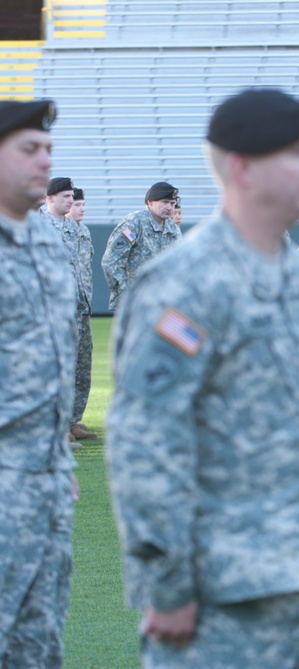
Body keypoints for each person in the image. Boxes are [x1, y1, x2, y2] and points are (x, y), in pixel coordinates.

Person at [105, 88, 299, 667]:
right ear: (242, 168)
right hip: (218, 593)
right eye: (297, 153)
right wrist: (167, 587)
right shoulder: (184, 284)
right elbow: (144, 442)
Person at [0, 99, 78, 668]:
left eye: (47, 149)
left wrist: (60, 464)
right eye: (29, 149)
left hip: (42, 482)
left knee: (38, 636)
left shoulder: (45, 242)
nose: (43, 160)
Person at [42, 179, 97, 444]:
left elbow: (83, 266)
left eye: (72, 197)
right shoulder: (36, 227)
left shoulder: (75, 229)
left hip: (79, 308)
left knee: (80, 367)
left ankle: (72, 420)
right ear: (50, 198)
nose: (71, 201)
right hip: (52, 312)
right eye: (66, 197)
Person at [101, 180, 182, 310]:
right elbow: (111, 262)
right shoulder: (134, 223)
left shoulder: (173, 228)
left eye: (172, 203)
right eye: (165, 202)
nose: (169, 207)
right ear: (150, 203)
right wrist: (125, 294)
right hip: (137, 303)